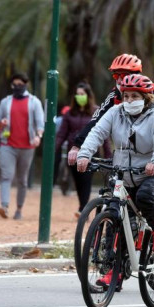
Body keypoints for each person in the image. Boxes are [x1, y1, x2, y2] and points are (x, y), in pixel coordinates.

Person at [76, 74, 154, 286]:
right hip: (127, 173)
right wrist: (84, 154)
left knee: (146, 195)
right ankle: (115, 271)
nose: (129, 100)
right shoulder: (115, 113)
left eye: (135, 96)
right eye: (126, 96)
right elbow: (97, 133)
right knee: (118, 217)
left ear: (146, 97)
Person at [67, 53, 154, 166]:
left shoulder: (152, 91)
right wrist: (77, 146)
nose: (119, 80)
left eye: (124, 75)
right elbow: (96, 121)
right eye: (116, 76)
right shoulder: (115, 94)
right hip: (132, 147)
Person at [55, 82, 111, 217]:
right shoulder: (69, 113)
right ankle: (82, 208)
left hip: (91, 153)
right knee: (78, 182)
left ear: (88, 95)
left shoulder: (96, 112)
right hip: (73, 153)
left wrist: (108, 153)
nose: (79, 96)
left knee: (85, 181)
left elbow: (103, 134)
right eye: (77, 94)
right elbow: (62, 134)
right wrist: (55, 149)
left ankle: (82, 210)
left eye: (82, 94)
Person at [0, 73, 45, 220]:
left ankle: (19, 209)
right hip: (7, 144)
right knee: (6, 175)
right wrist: (1, 123)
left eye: (20, 84)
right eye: (14, 84)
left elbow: (40, 124)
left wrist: (38, 136)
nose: (17, 87)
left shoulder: (34, 102)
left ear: (26, 84)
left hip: (27, 146)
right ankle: (4, 206)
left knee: (22, 179)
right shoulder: (5, 102)